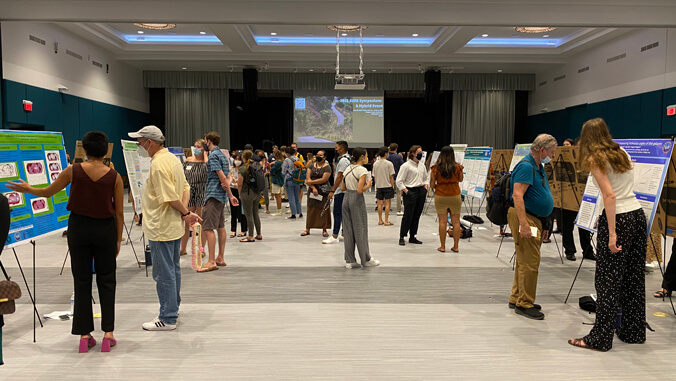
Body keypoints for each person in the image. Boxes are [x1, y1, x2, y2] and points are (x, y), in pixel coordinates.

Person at [8, 131, 124, 350]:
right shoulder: (114, 176)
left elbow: (48, 192)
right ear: (105, 150)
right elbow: (119, 213)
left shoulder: (73, 170)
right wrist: (118, 239)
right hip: (105, 230)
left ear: (85, 151)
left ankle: (84, 335)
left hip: (78, 228)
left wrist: (27, 188)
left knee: (81, 281)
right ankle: (108, 333)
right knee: (107, 279)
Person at [569, 118, 647, 352]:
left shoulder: (595, 159)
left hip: (619, 217)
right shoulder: (620, 151)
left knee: (607, 282)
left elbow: (610, 196)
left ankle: (600, 338)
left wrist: (612, 233)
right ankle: (633, 331)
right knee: (633, 278)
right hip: (636, 214)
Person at [127, 126, 200, 331]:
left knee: (163, 273)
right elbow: (185, 188)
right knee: (173, 268)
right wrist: (184, 212)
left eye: (140, 142)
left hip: (160, 226)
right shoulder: (172, 160)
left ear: (149, 142)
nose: (140, 147)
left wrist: (184, 213)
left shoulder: (158, 165)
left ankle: (167, 317)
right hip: (172, 224)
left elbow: (170, 197)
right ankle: (172, 307)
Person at [508, 134, 557, 321]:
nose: (552, 156)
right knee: (530, 262)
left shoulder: (538, 166)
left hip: (534, 218)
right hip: (526, 218)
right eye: (551, 152)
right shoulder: (527, 167)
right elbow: (517, 195)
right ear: (542, 150)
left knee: (524, 259)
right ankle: (525, 303)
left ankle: (517, 297)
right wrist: (524, 224)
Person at [200, 132, 239, 273]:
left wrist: (230, 195)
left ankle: (211, 261)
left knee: (208, 227)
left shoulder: (214, 156)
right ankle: (220, 257)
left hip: (213, 195)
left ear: (209, 141)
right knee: (220, 226)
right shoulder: (223, 155)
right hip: (220, 196)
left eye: (205, 141)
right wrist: (228, 193)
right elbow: (228, 177)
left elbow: (223, 178)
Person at [341, 147, 380, 269]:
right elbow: (359, 190)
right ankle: (366, 259)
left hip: (346, 198)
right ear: (362, 156)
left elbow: (342, 188)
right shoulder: (362, 170)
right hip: (356, 200)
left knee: (348, 231)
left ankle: (350, 260)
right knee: (361, 229)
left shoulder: (347, 168)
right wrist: (367, 185)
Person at [558, 138, 595, 261]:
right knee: (567, 226)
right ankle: (569, 250)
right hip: (569, 196)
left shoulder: (590, 162)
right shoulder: (566, 161)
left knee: (584, 226)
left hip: (584, 198)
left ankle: (587, 251)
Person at [430, 145, 464, 253]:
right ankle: (456, 246)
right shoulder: (458, 167)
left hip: (441, 196)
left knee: (442, 221)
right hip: (455, 195)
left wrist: (438, 187)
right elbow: (461, 179)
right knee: (456, 221)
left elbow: (431, 184)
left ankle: (443, 246)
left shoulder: (435, 168)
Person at [179, 139, 208, 256]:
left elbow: (208, 170)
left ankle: (201, 248)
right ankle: (183, 248)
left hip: (202, 190)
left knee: (201, 222)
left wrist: (205, 156)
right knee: (187, 221)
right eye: (195, 146)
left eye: (199, 146)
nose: (196, 148)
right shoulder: (188, 160)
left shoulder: (207, 161)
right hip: (189, 191)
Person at [396, 145, 429, 246]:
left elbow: (425, 178)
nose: (421, 154)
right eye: (419, 152)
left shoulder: (422, 166)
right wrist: (406, 191)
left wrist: (425, 187)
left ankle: (413, 236)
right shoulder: (406, 166)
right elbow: (399, 181)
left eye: (422, 152)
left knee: (417, 215)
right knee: (408, 215)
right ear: (413, 153)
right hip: (410, 191)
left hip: (420, 191)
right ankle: (402, 236)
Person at [323, 141, 351, 244]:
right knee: (344, 213)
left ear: (342, 149)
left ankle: (334, 236)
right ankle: (344, 233)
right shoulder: (346, 159)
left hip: (340, 190)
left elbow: (339, 177)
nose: (335, 149)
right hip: (343, 190)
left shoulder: (343, 160)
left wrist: (332, 190)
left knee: (337, 213)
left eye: (337, 147)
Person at [301, 150, 332, 237]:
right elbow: (308, 178)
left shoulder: (327, 167)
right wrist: (313, 187)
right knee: (311, 208)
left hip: (323, 190)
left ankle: (324, 229)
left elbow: (324, 179)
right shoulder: (311, 166)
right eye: (317, 155)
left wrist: (311, 182)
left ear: (324, 157)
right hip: (312, 190)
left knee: (324, 209)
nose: (318, 156)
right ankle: (308, 228)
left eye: (320, 155)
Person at [238, 150, 263, 242]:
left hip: (247, 193)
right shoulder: (256, 166)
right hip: (256, 192)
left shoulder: (243, 168)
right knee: (255, 213)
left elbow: (239, 183)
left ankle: (250, 236)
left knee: (248, 215)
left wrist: (239, 193)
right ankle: (259, 234)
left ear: (243, 157)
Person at [373, 146, 396, 226]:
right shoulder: (389, 164)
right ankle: (386, 220)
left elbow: (374, 176)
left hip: (379, 186)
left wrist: (377, 184)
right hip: (387, 185)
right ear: (386, 153)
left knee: (379, 204)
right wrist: (392, 186)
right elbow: (391, 176)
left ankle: (380, 220)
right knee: (387, 204)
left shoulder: (375, 163)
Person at [282, 147, 303, 219]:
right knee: (297, 196)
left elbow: (283, 172)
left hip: (289, 179)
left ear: (287, 153)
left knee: (291, 197)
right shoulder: (297, 159)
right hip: (297, 179)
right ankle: (300, 212)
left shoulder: (287, 160)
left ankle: (293, 214)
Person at [387, 143, 405, 216]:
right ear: (396, 148)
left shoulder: (387, 157)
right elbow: (403, 166)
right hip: (397, 177)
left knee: (389, 195)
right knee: (398, 194)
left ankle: (388, 208)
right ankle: (398, 210)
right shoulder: (398, 157)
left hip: (388, 178)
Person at [255, 149, 271, 214]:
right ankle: (256, 208)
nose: (260, 155)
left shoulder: (266, 162)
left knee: (266, 192)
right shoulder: (255, 162)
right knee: (256, 193)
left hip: (264, 178)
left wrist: (267, 173)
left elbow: (270, 170)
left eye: (261, 154)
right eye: (259, 154)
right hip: (257, 178)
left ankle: (267, 207)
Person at [269, 149, 285, 215]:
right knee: (279, 195)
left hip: (277, 180)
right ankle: (279, 209)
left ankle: (279, 210)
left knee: (277, 195)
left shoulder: (278, 162)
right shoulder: (282, 161)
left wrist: (269, 166)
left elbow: (272, 170)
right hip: (280, 179)